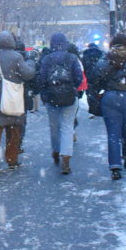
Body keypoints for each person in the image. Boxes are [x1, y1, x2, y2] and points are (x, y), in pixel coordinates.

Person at [89, 33, 126, 180]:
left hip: (110, 99)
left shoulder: (104, 61)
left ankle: (115, 166)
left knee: (113, 134)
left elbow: (94, 79)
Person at [0, 31, 36, 175]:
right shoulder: (16, 56)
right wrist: (30, 62)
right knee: (14, 131)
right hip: (12, 98)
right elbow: (28, 74)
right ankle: (12, 160)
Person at [38, 33, 84, 175]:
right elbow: (78, 77)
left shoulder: (47, 59)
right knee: (67, 127)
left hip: (52, 99)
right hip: (69, 98)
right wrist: (71, 88)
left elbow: (42, 79)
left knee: (54, 127)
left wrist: (45, 94)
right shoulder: (72, 58)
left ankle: (56, 151)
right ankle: (66, 158)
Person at [81, 43, 104, 117]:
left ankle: (92, 110)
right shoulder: (101, 55)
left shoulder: (85, 56)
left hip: (89, 79)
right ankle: (99, 109)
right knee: (98, 93)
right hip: (99, 78)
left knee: (90, 94)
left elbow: (82, 69)